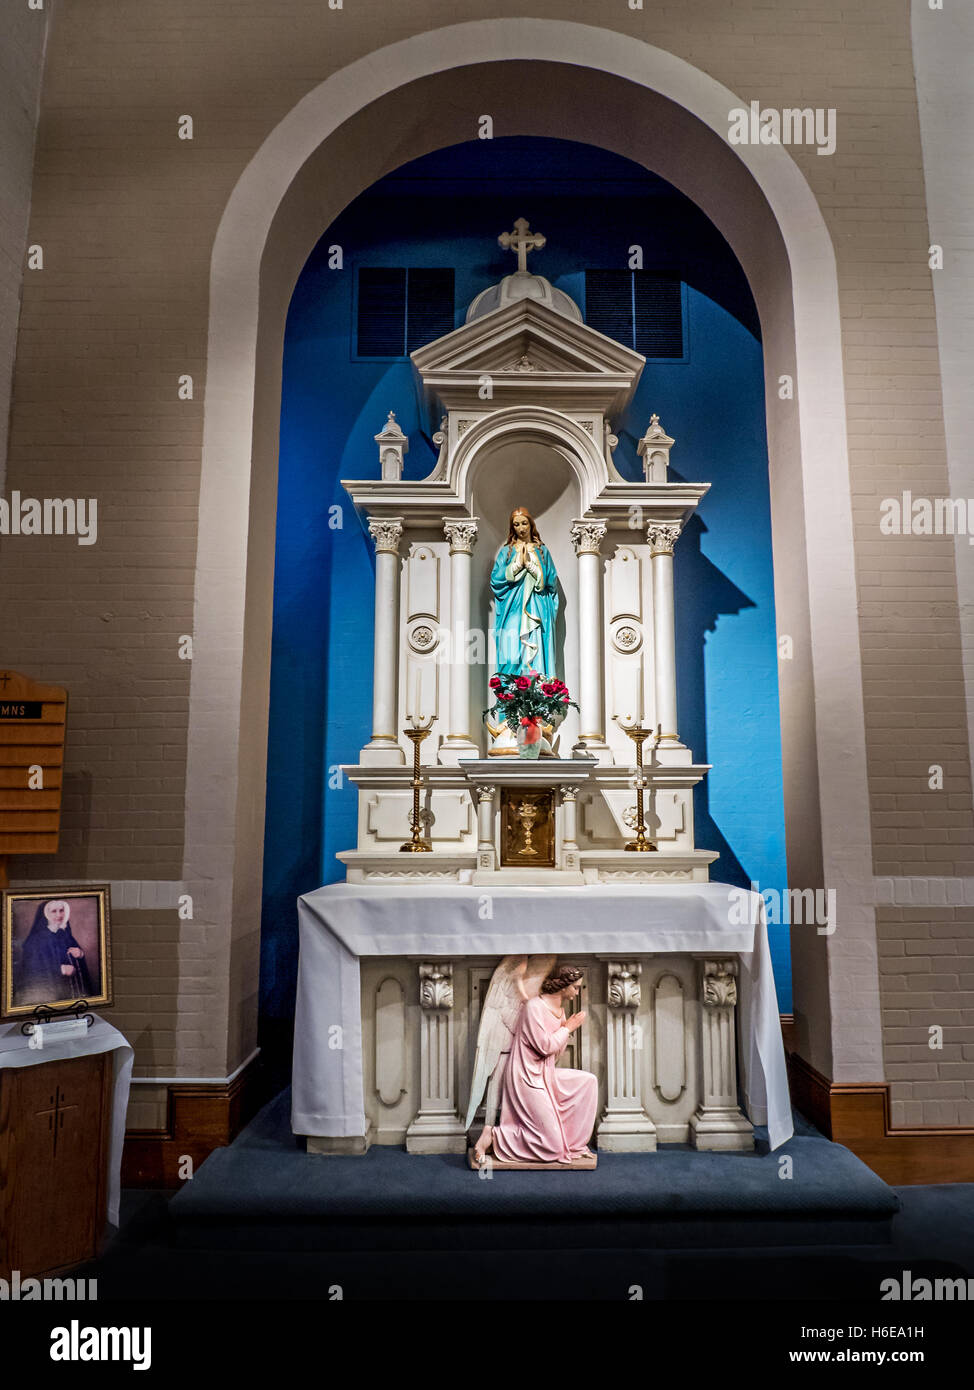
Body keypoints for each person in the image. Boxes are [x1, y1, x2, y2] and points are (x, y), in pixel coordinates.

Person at [475, 964, 597, 1165]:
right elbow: (545, 1046)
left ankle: (573, 1142)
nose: (577, 992)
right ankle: (494, 1136)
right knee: (553, 1147)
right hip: (526, 1078)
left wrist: (565, 1028)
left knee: (588, 1082)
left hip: (544, 1073)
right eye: (575, 987)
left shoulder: (559, 1010)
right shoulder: (534, 1007)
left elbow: (556, 1052)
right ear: (564, 986)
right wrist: (568, 1029)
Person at [490, 506, 559, 679]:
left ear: (531, 524)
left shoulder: (542, 551)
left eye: (524, 523)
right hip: (513, 607)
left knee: (536, 646)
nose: (521, 528)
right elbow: (496, 580)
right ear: (512, 527)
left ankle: (540, 691)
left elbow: (550, 581)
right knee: (512, 650)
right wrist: (517, 564)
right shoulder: (506, 552)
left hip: (537, 606)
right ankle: (510, 694)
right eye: (516, 525)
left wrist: (531, 566)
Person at [17, 898, 93, 1006]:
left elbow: (76, 955)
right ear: (46, 914)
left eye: (61, 910)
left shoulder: (64, 934)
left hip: (69, 990)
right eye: (54, 911)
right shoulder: (35, 940)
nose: (59, 915)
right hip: (49, 994)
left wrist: (80, 954)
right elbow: (31, 969)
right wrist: (60, 969)